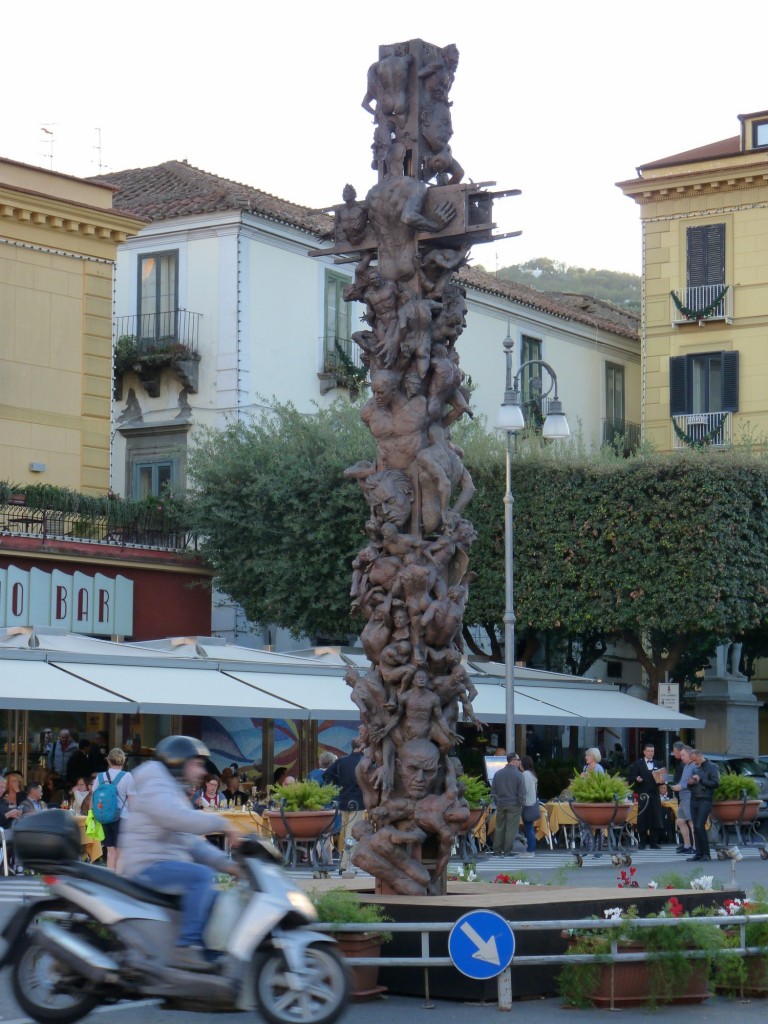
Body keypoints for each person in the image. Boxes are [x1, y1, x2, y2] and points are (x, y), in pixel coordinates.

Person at [118, 735, 241, 972]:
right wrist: (223, 824)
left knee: (216, 899)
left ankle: (209, 962)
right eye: (197, 764)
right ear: (179, 762)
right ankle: (187, 948)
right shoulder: (155, 783)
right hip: (147, 865)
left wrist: (228, 865)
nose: (202, 771)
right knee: (201, 876)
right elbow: (177, 818)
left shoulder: (172, 789)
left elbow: (191, 842)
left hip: (165, 862)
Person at [94, 748, 136, 871]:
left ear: (108, 761)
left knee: (110, 851)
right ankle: (119, 878)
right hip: (122, 817)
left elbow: (95, 795)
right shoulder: (127, 776)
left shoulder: (100, 777)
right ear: (123, 761)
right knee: (121, 853)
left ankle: (109, 878)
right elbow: (132, 800)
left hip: (105, 817)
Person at [630, 743, 665, 849]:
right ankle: (642, 841)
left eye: (652, 751)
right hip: (643, 794)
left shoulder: (658, 763)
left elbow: (663, 779)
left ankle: (654, 841)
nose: (650, 753)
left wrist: (662, 780)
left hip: (655, 794)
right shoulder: (638, 764)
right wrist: (637, 779)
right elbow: (631, 777)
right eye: (648, 751)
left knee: (656, 817)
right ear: (644, 752)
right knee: (642, 817)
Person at [687, 750, 720, 861]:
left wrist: (700, 780)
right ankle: (699, 853)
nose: (694, 763)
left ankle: (706, 853)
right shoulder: (695, 768)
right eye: (692, 761)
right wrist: (690, 783)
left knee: (699, 826)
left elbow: (715, 783)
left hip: (705, 799)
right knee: (695, 827)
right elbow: (691, 785)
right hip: (694, 799)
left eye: (695, 760)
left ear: (700, 756)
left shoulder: (712, 767)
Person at [491, 753, 525, 857]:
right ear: (513, 760)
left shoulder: (498, 774)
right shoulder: (519, 775)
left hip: (501, 804)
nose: (519, 762)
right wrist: (521, 804)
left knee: (499, 827)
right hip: (514, 804)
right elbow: (521, 792)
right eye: (518, 760)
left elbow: (493, 791)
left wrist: (497, 802)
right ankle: (507, 851)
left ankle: (497, 850)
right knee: (511, 828)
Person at [580, 748, 606, 857]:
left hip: (596, 800)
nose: (586, 757)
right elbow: (583, 783)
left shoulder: (599, 768)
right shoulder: (585, 768)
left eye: (588, 755)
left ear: (594, 757)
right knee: (585, 824)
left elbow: (601, 784)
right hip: (586, 799)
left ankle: (598, 849)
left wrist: (588, 778)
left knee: (598, 825)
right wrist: (581, 778)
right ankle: (588, 847)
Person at [671, 745, 696, 854]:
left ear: (690, 754)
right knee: (680, 821)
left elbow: (694, 781)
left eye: (683, 755)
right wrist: (678, 786)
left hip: (688, 796)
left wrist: (681, 786)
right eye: (681, 755)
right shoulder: (686, 766)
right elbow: (684, 780)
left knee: (691, 822)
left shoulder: (694, 766)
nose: (681, 757)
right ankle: (687, 845)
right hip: (682, 796)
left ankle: (695, 847)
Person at [519, 755, 539, 859]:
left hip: (527, 804)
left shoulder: (525, 774)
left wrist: (519, 800)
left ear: (523, 764)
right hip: (532, 803)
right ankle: (531, 848)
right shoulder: (532, 774)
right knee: (530, 827)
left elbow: (524, 790)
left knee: (529, 828)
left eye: (520, 763)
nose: (519, 765)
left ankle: (530, 850)